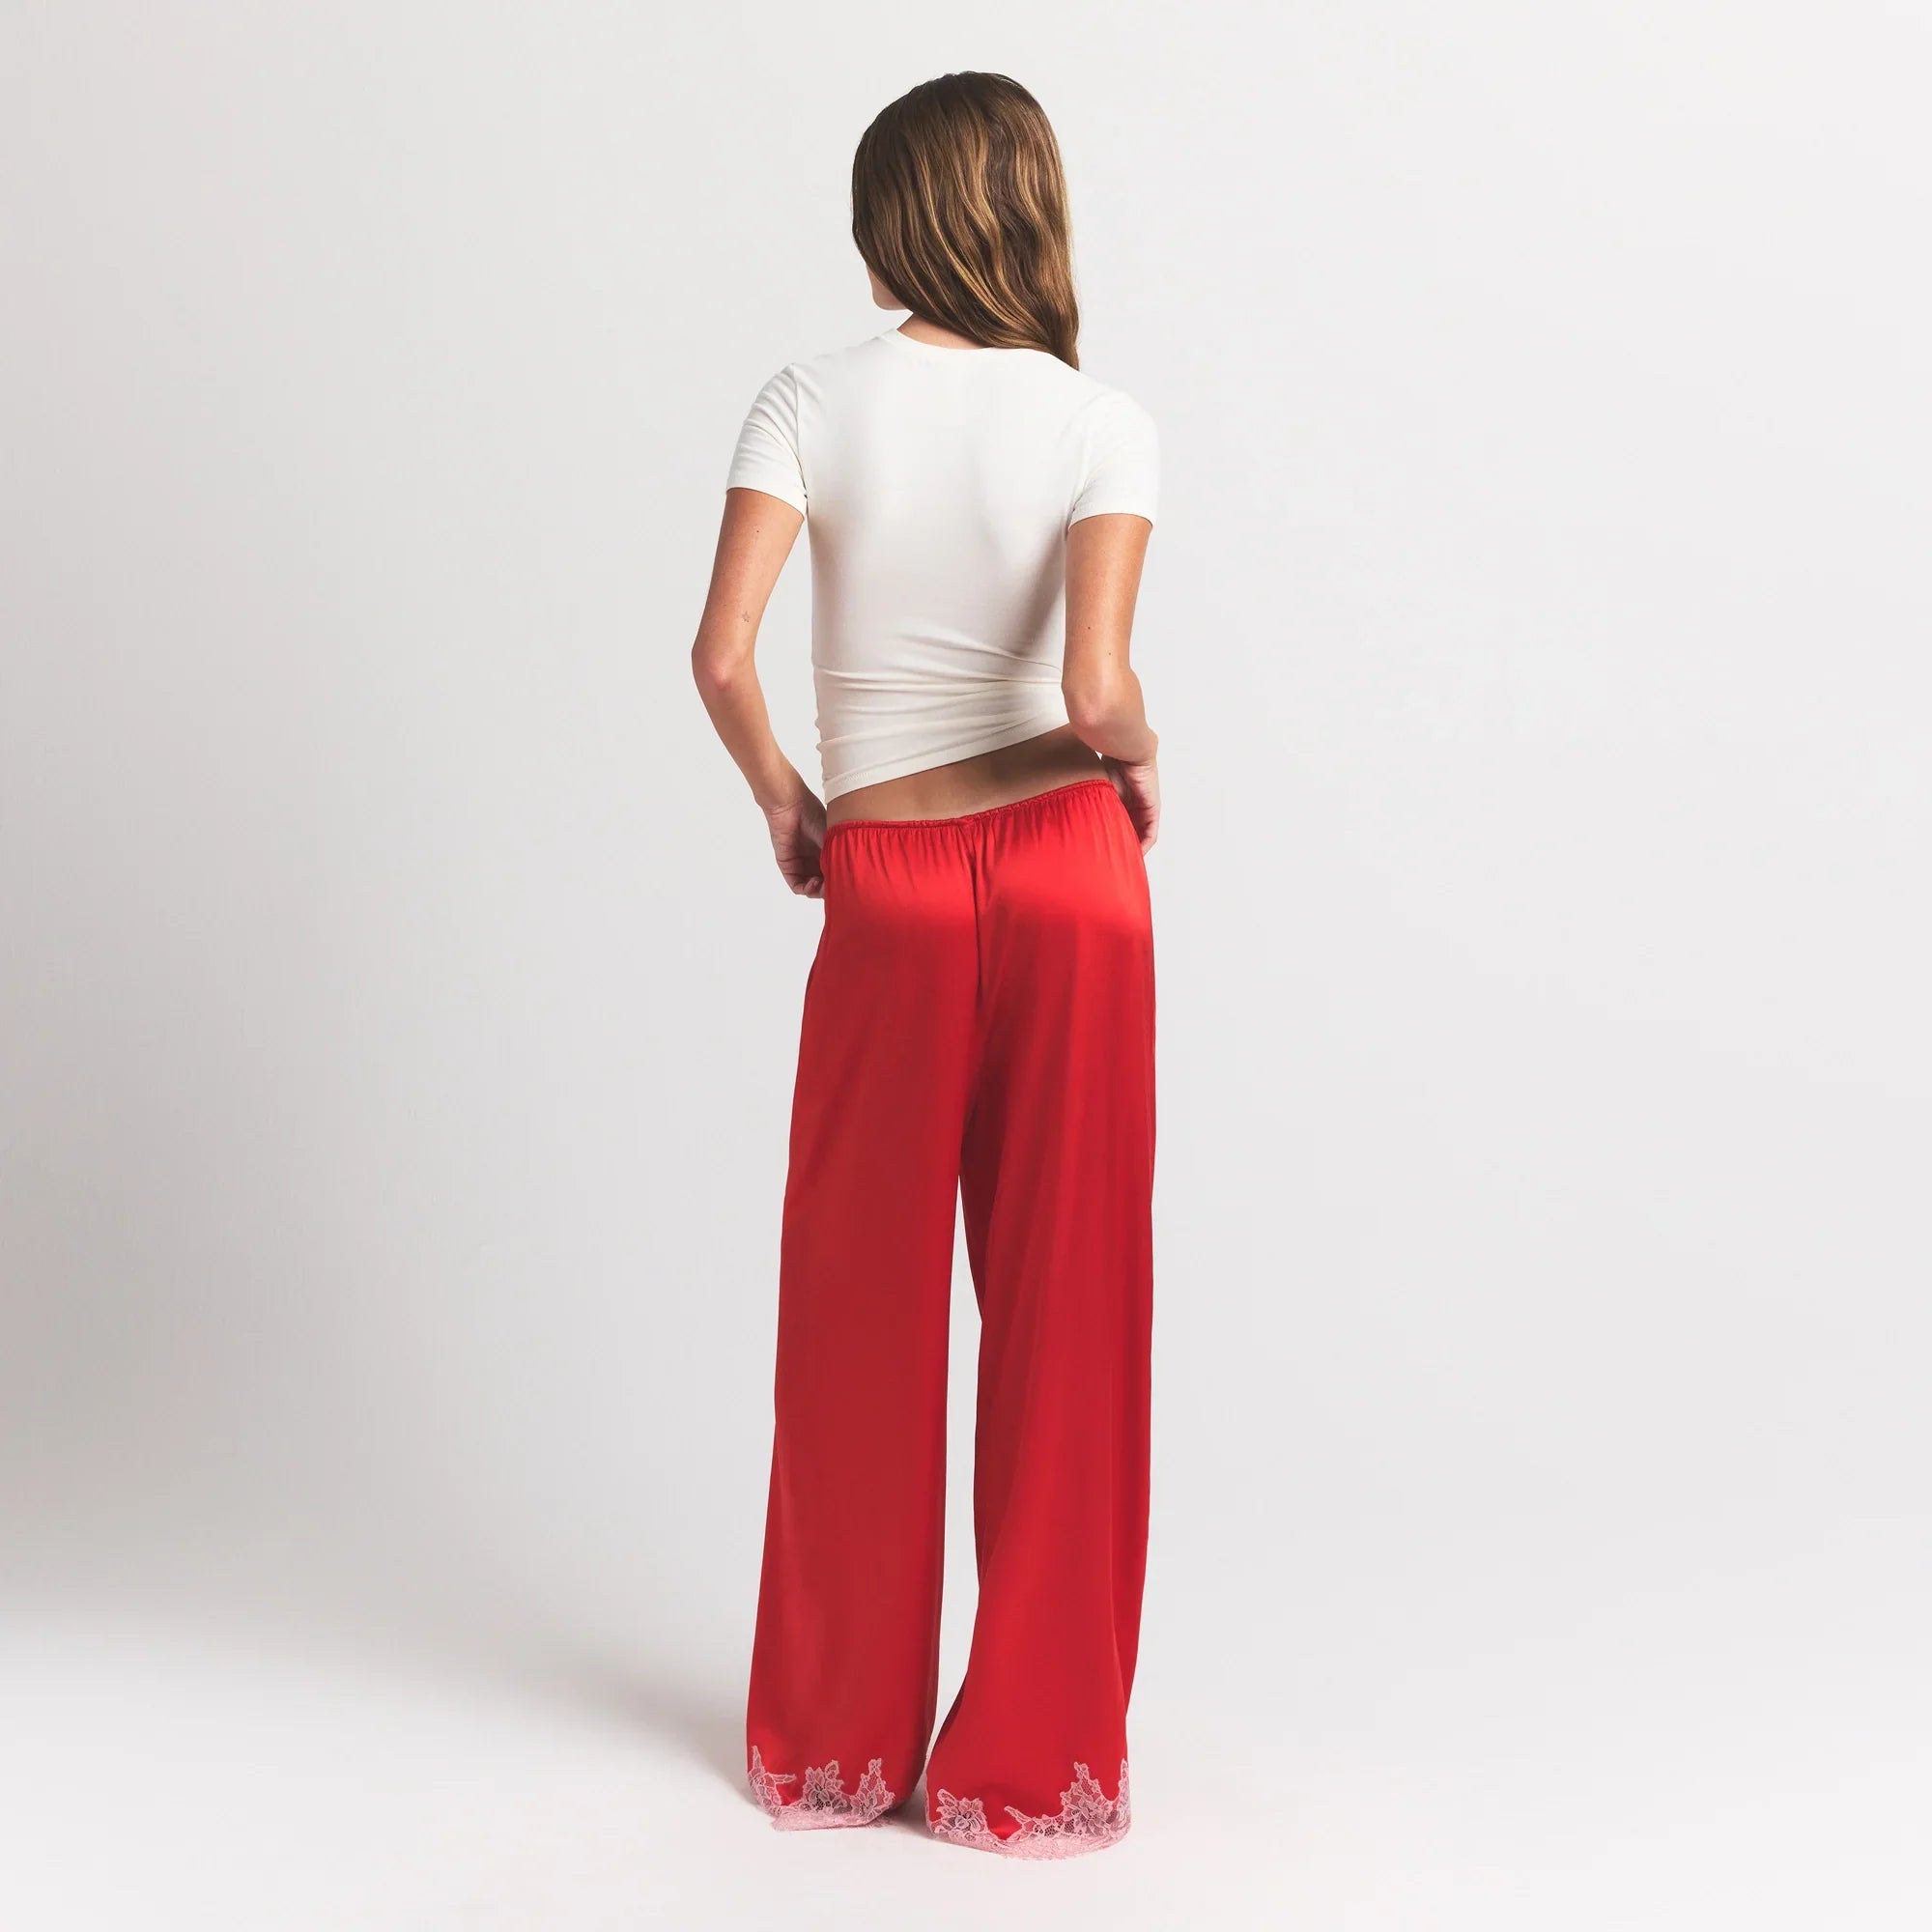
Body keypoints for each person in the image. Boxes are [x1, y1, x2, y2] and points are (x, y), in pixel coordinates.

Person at [691, 71, 1160, 1860]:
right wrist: (1139, 765)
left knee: (856, 1297)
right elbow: (1098, 690)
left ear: (888, 219)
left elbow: (722, 655)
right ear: (1031, 208)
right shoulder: (1101, 421)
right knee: (1069, 1305)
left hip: (885, 877)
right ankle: (1026, 1770)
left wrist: (788, 802)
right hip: (1071, 871)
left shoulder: (807, 399)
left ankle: (835, 1745)